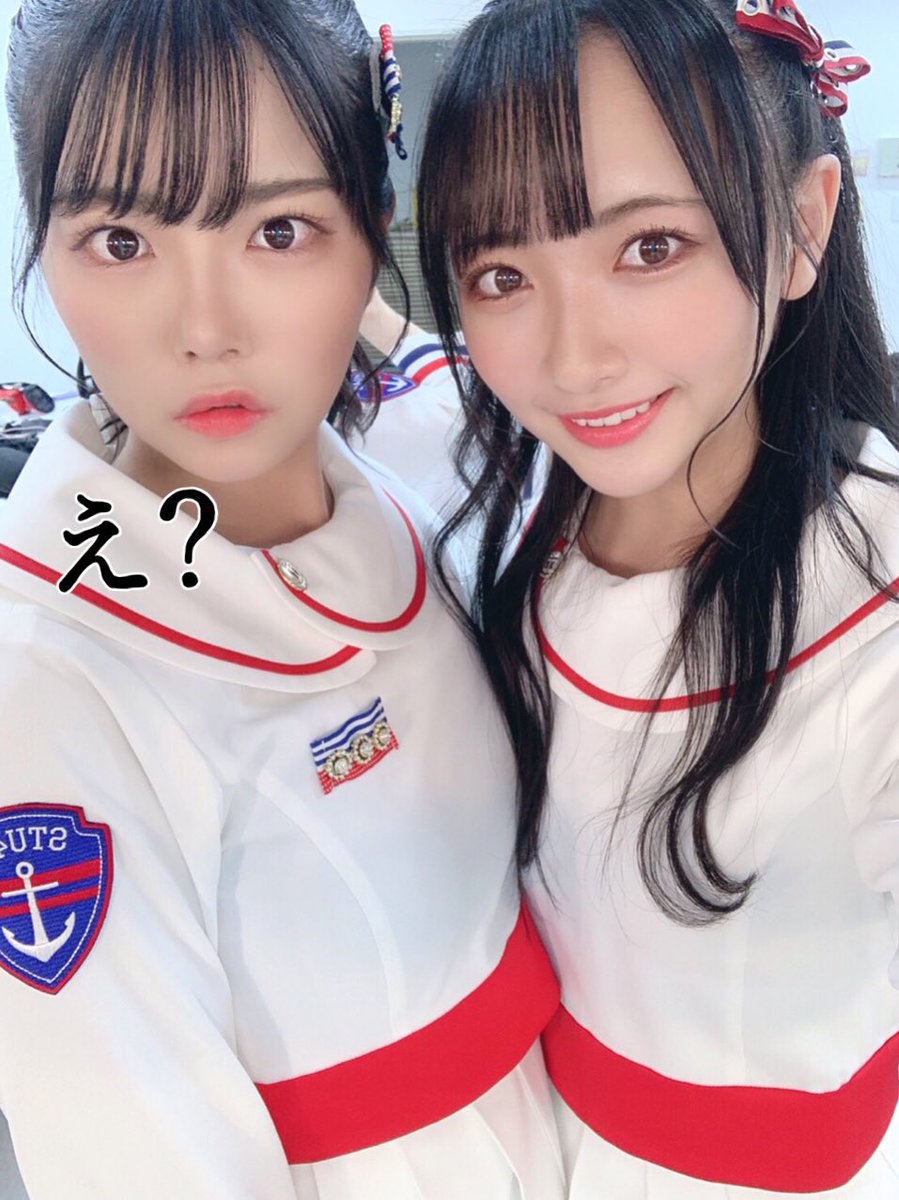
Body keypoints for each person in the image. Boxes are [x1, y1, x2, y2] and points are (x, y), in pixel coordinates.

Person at [0, 2, 565, 1197]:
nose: (205, 330)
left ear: (372, 229)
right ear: (44, 248)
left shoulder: (409, 484)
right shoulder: (47, 673)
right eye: (120, 241)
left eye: (278, 230)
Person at [416, 0, 899, 1194]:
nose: (573, 359)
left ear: (800, 227)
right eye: (500, 274)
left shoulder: (871, 616)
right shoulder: (515, 506)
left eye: (648, 248)